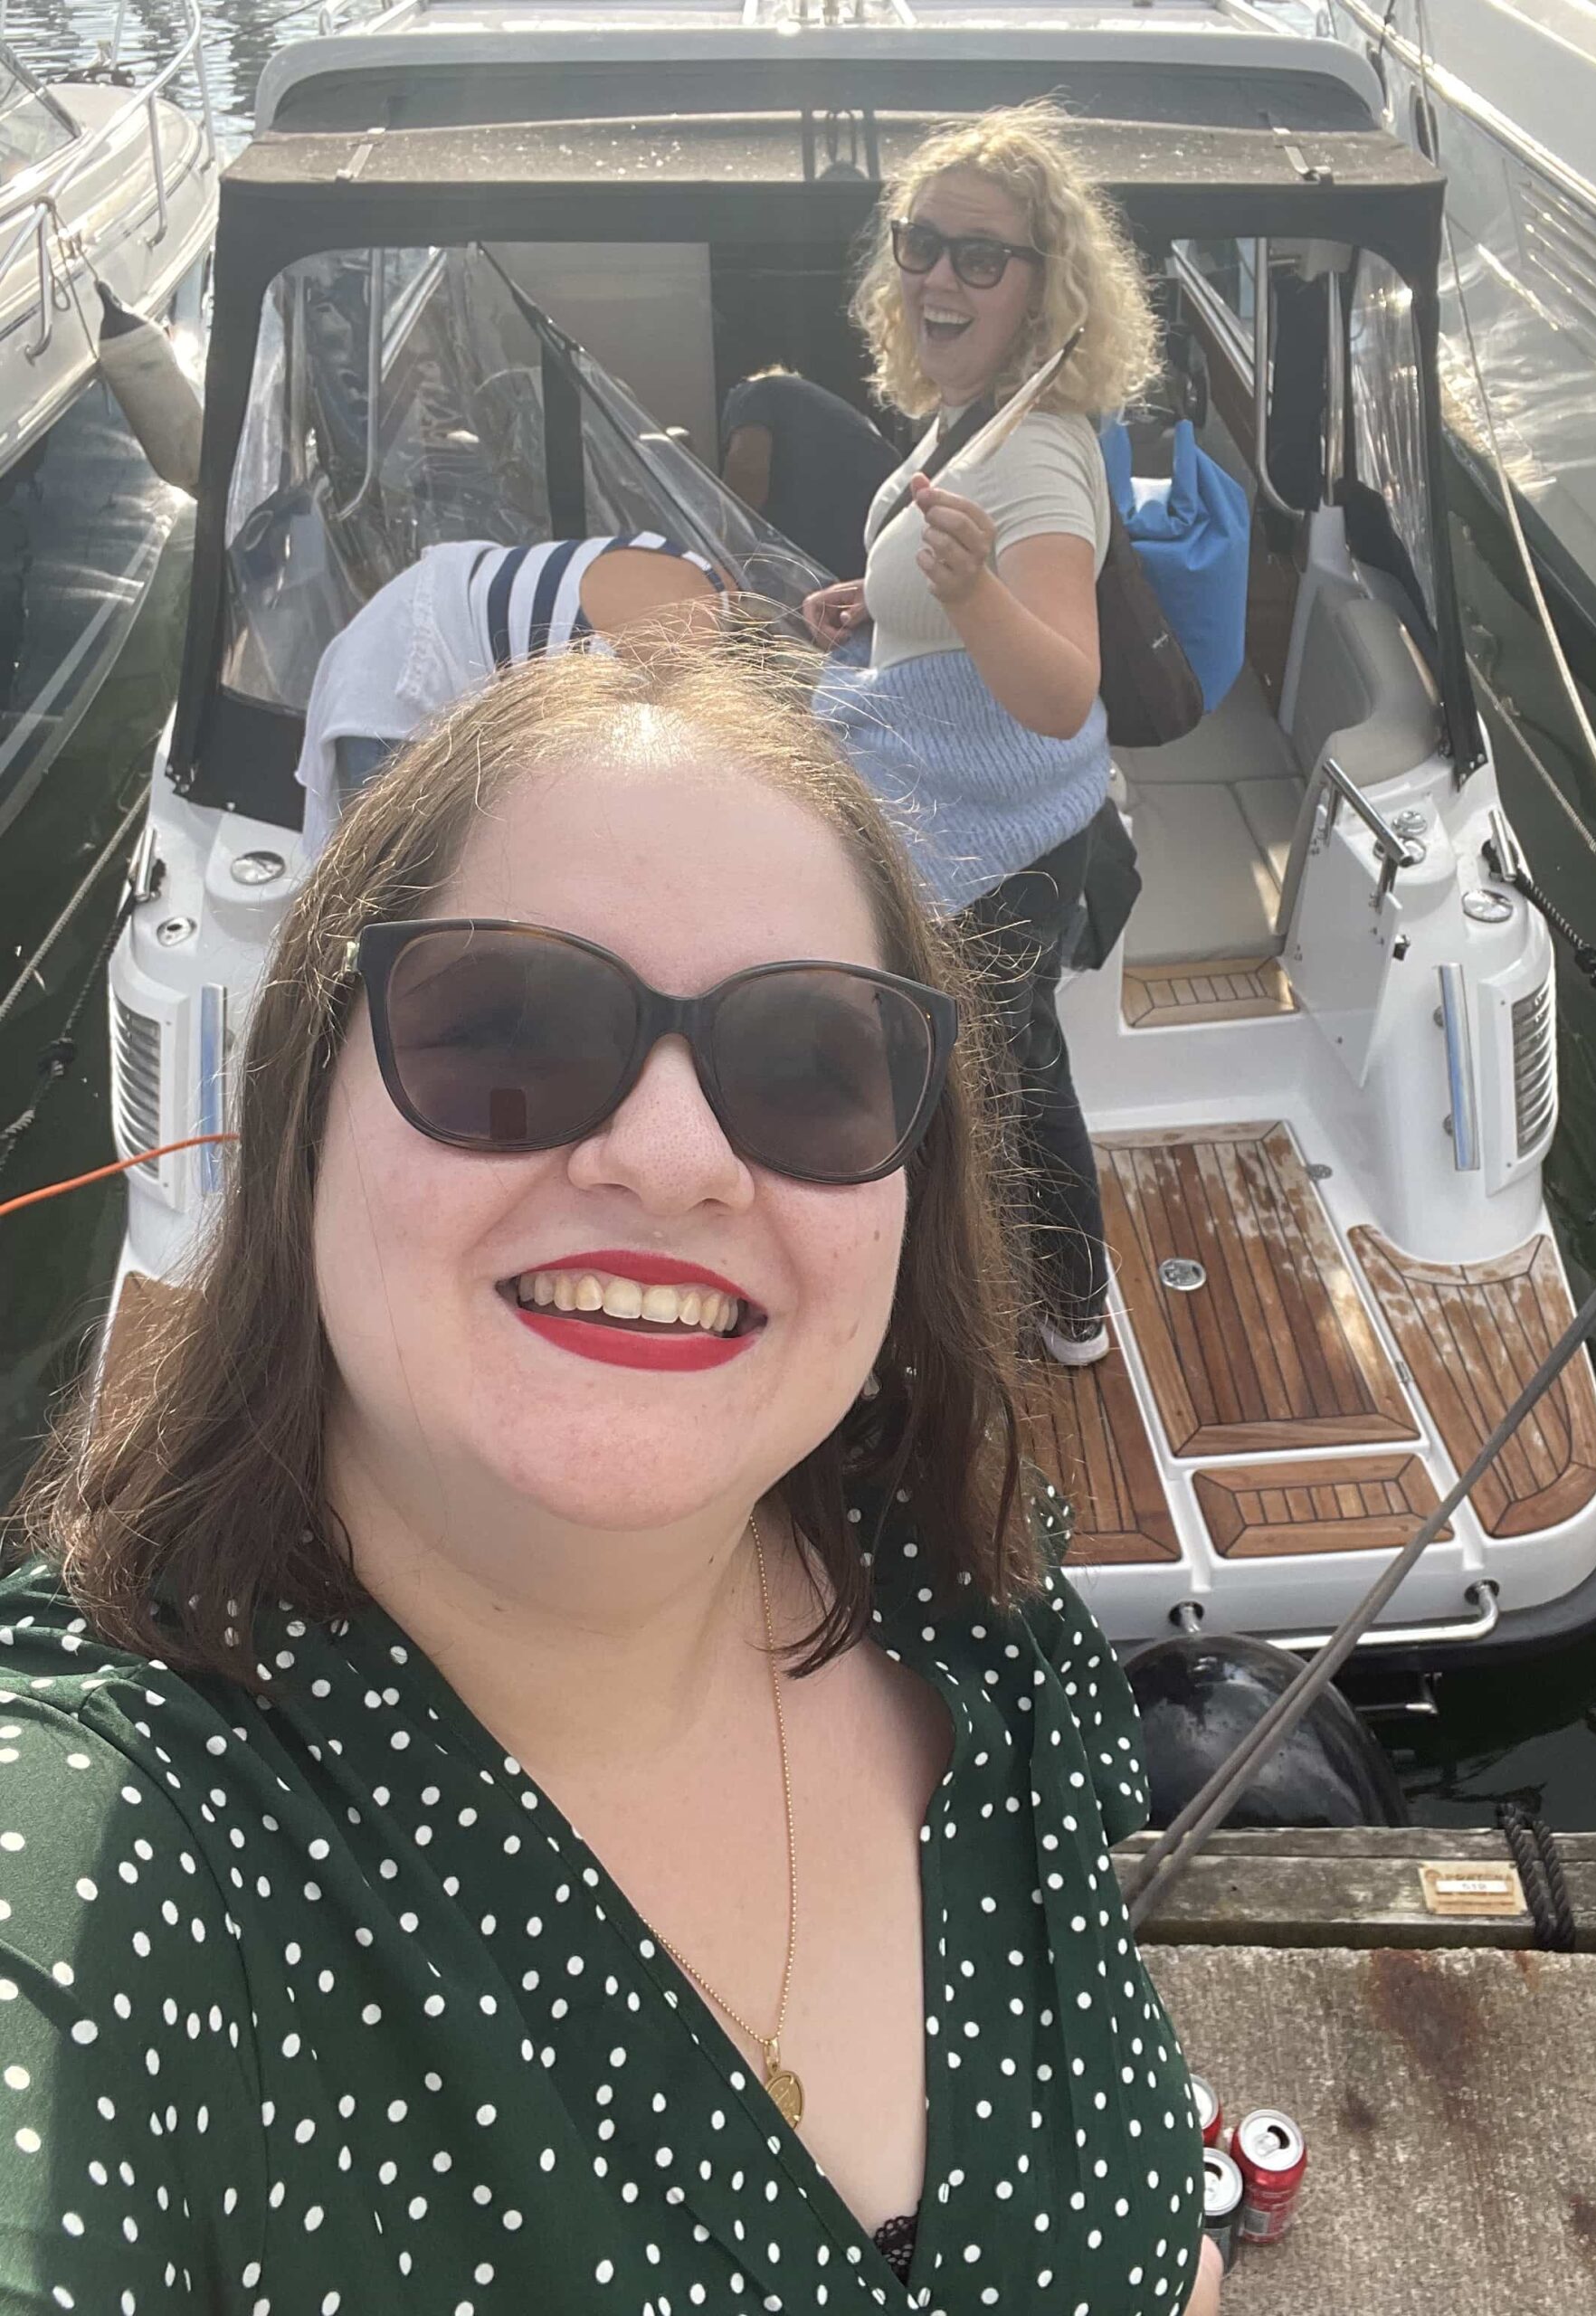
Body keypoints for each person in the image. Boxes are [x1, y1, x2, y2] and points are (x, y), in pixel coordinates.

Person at [1, 645, 1220, 2314]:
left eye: (808, 1065)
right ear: (307, 1106)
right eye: (506, 1029)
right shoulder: (123, 1858)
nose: (670, 1156)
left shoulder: (972, 1596)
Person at [808, 102, 1159, 1368]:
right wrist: (882, 605)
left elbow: (1063, 687)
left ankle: (1071, 1309)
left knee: (1011, 1084)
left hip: (999, 843)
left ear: (1042, 287)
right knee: (1000, 1062)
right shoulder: (974, 410)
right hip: (984, 814)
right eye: (920, 244)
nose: (938, 277)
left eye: (981, 257)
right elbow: (950, 600)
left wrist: (968, 594)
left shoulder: (1038, 461)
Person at [294, 529, 727, 848]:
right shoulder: (642, 684)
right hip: (401, 672)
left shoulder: (713, 583)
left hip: (439, 601)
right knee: (394, 877)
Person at [720, 366, 900, 581]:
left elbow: (747, 470)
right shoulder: (835, 416)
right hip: (887, 535)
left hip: (843, 545)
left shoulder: (753, 392)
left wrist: (725, 552)